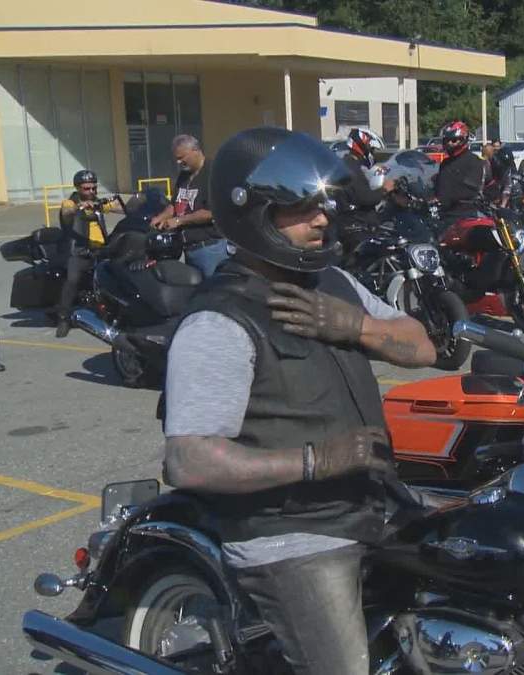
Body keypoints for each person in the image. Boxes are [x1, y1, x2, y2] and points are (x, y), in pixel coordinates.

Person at [162, 127, 437, 675]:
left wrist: (357, 326)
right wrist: (315, 460)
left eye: (321, 205)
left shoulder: (331, 282)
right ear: (252, 212)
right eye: (300, 208)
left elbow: (423, 347)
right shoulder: (219, 321)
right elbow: (187, 460)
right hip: (292, 536)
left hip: (371, 501)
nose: (322, 219)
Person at [53, 169, 123, 337]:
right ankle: (63, 318)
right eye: (86, 188)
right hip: (79, 251)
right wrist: (80, 206)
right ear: (77, 188)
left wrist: (137, 206)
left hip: (101, 249)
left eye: (93, 188)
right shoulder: (70, 203)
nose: (91, 192)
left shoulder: (97, 202)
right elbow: (66, 212)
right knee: (72, 280)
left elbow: (117, 207)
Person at [149, 135, 226, 278]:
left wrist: (179, 221)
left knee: (213, 294)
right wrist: (161, 217)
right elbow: (175, 205)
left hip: (210, 249)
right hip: (189, 249)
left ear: (195, 150)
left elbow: (212, 212)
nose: (179, 162)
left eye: (182, 157)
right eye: (177, 159)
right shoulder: (184, 175)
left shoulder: (214, 172)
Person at [335, 128, 393, 255]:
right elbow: (365, 197)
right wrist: (385, 189)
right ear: (362, 146)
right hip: (356, 228)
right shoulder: (351, 167)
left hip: (357, 224)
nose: (373, 153)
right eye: (372, 150)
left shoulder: (351, 165)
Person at [433, 120, 490, 223]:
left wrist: (446, 199)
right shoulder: (445, 163)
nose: (449, 143)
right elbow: (439, 187)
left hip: (465, 216)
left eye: (453, 140)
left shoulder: (474, 162)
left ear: (463, 139)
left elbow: (469, 191)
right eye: (446, 140)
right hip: (444, 214)